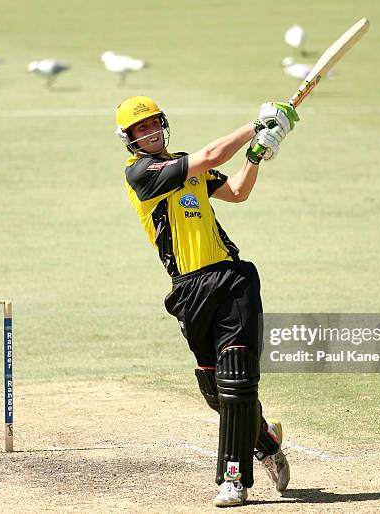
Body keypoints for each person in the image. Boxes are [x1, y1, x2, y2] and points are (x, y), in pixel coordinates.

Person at [115, 95, 298, 507]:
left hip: (233, 280)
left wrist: (255, 155)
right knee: (216, 390)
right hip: (189, 290)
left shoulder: (191, 166)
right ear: (129, 139)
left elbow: (236, 191)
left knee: (236, 381)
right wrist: (256, 126)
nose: (149, 133)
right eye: (139, 129)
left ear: (163, 124)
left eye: (153, 124)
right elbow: (212, 153)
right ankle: (265, 441)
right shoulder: (142, 175)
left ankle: (233, 480)